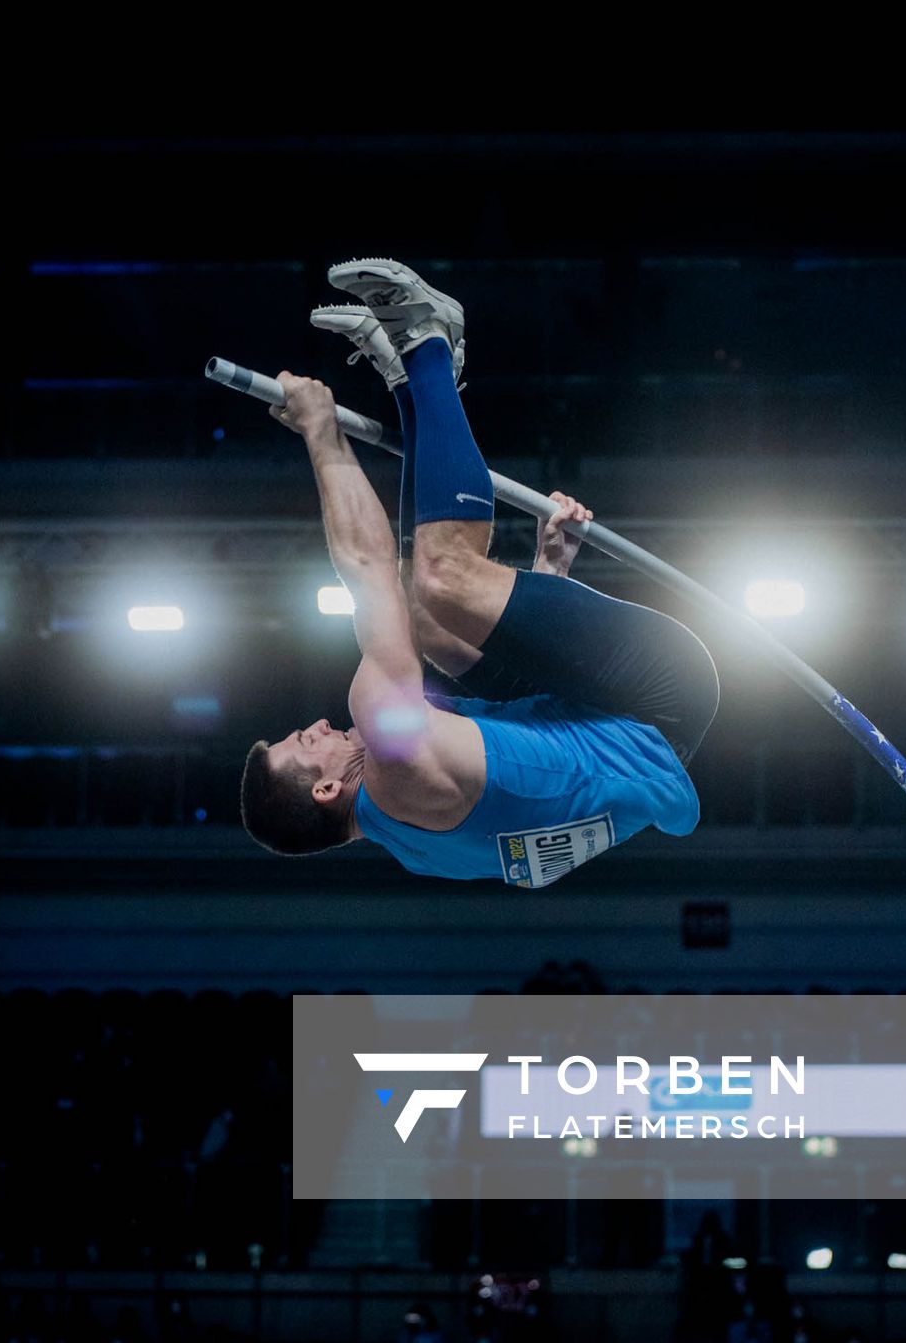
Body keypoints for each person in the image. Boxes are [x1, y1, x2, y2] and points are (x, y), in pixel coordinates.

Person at [241, 258, 719, 885]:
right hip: (660, 698)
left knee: (423, 618)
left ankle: (407, 380)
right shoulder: (394, 750)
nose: (321, 725)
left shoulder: (417, 850)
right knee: (443, 578)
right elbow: (367, 566)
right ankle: (429, 341)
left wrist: (549, 579)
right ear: (327, 788)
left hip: (591, 708)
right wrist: (321, 432)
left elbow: (541, 771)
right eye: (307, 742)